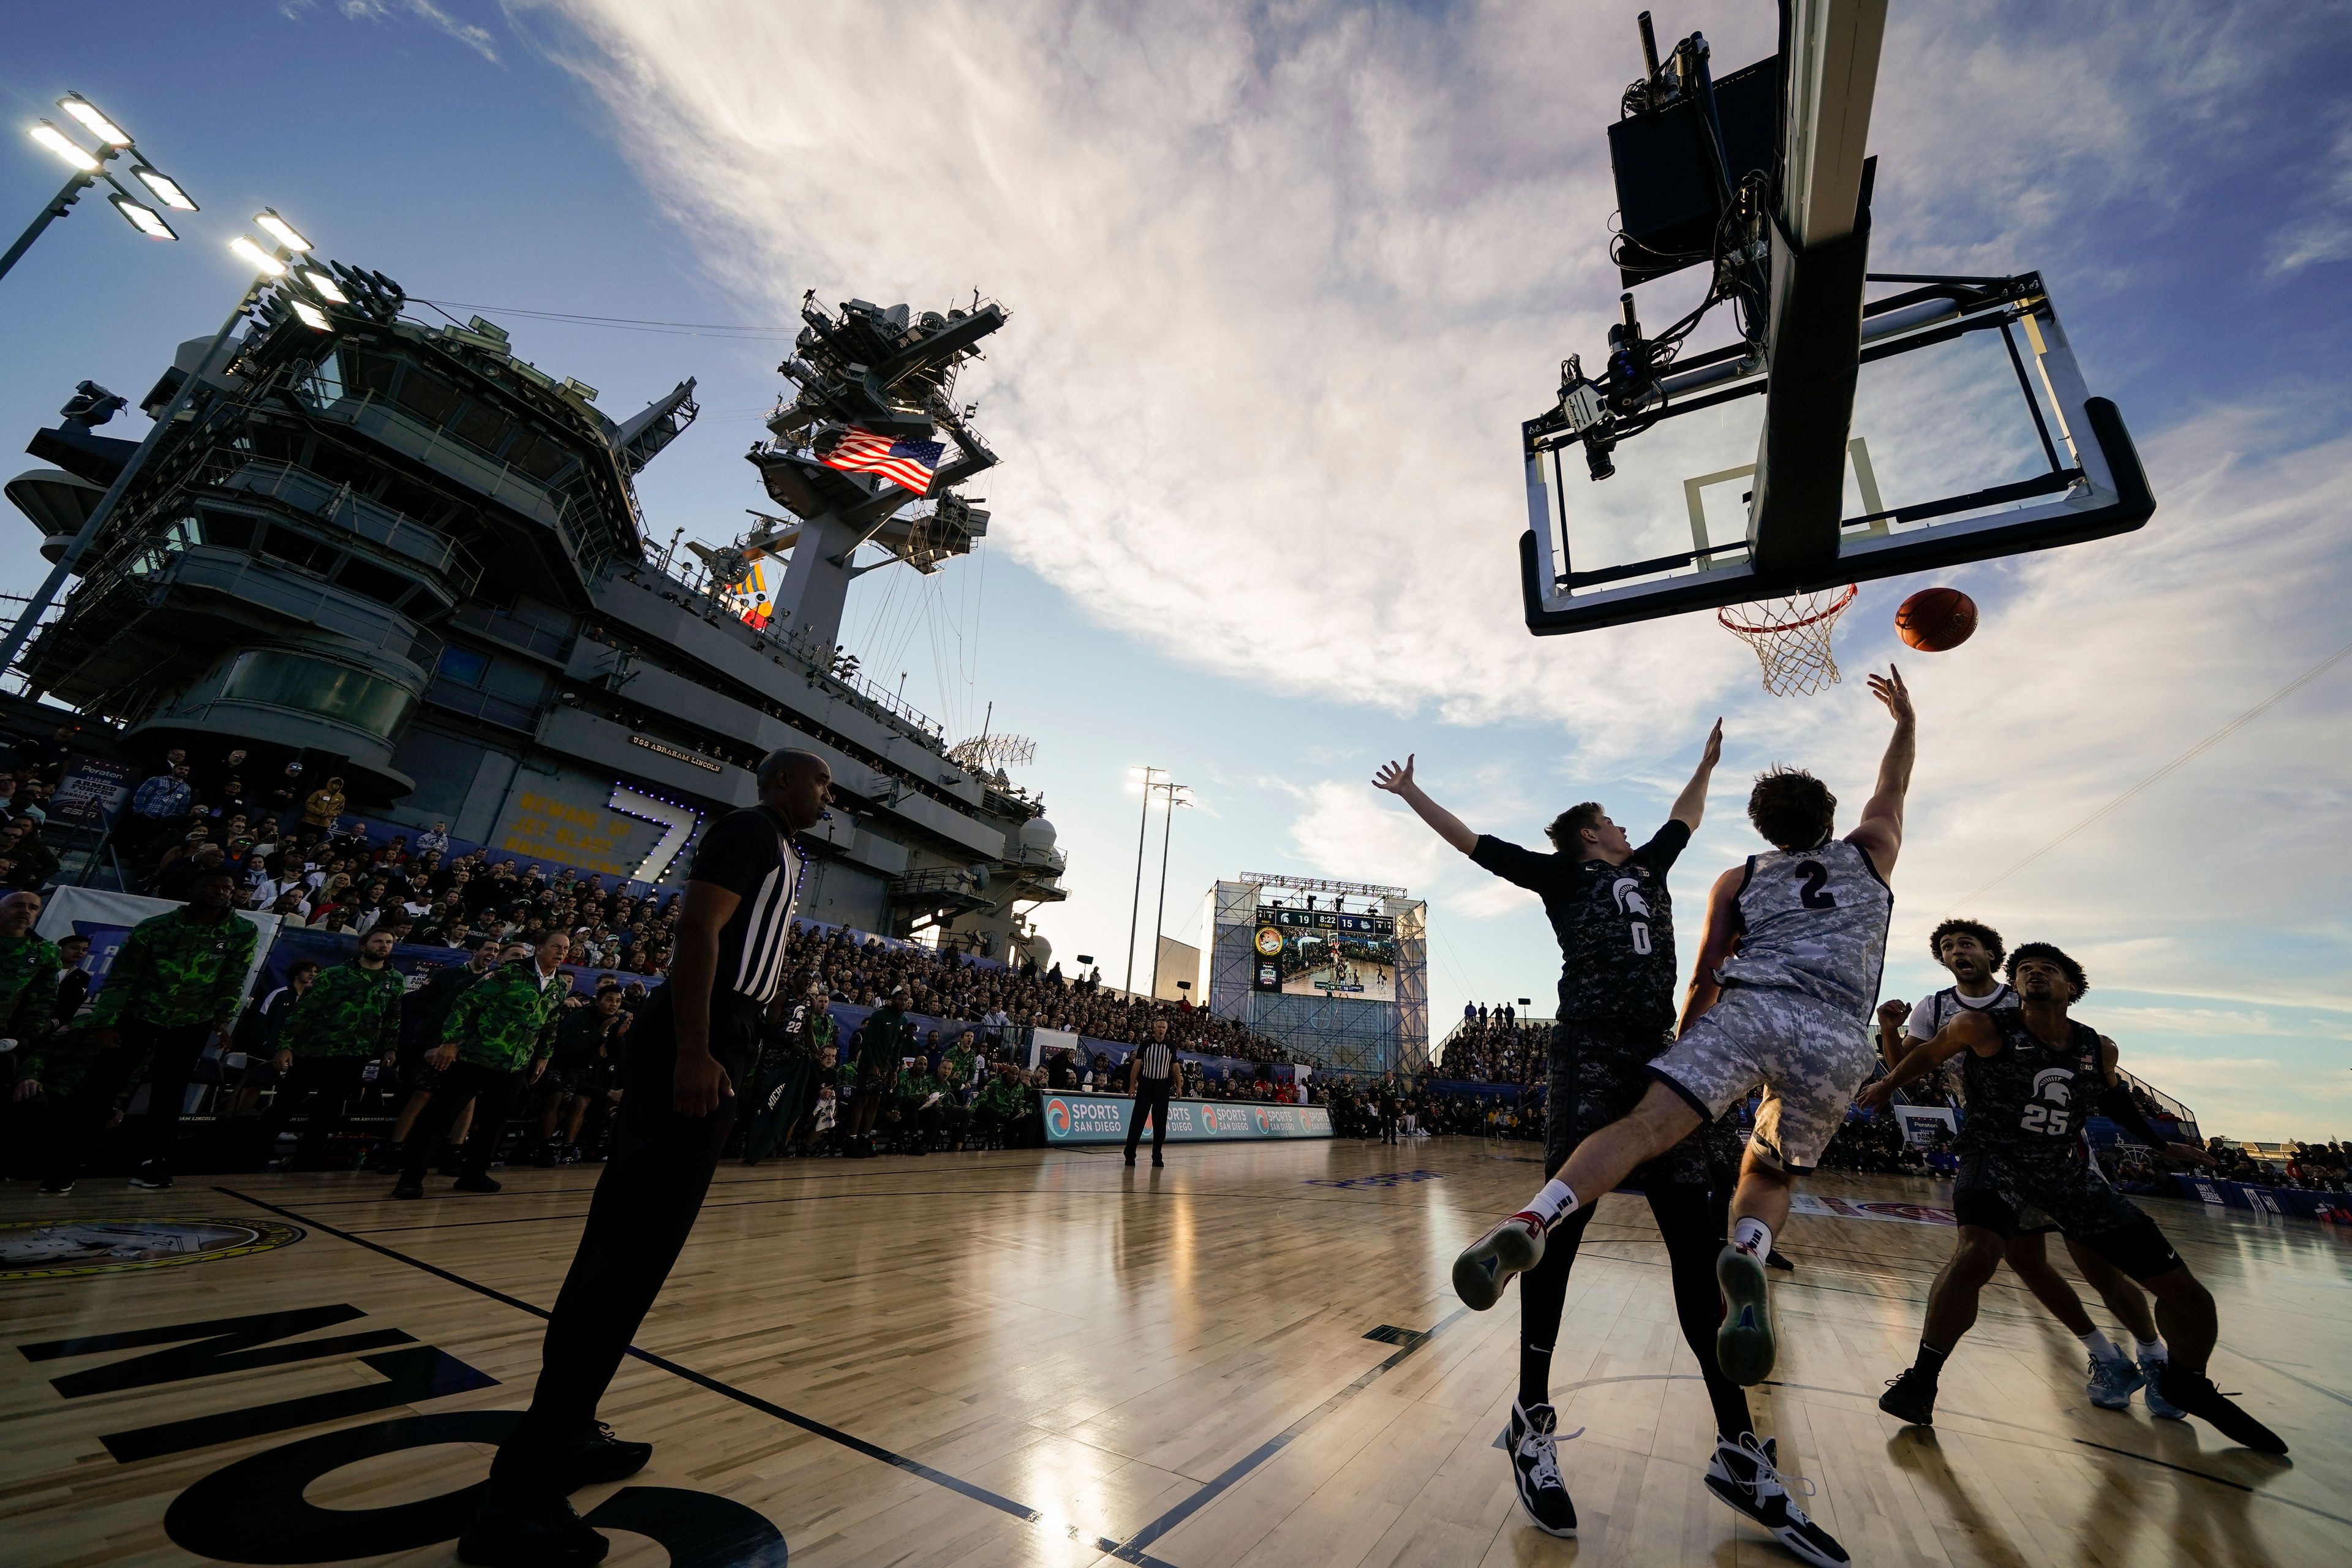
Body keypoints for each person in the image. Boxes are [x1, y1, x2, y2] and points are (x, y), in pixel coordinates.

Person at [1375, 720, 1836, 1559]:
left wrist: (1704, 765)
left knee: (1699, 1250)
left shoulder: (1651, 865)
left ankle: (1738, 1449)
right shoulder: (1560, 877)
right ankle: (1530, 1420)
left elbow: (1682, 819)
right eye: (1614, 825)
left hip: (1661, 1058)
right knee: (1556, 1235)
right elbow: (1478, 845)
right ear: (1592, 833)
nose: (1629, 831)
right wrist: (1412, 796)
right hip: (1588, 1048)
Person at [1459, 670, 1913, 1402]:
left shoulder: (1740, 877)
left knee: (1645, 1127)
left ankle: (1536, 1215)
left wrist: (1689, 1049)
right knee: (1765, 1173)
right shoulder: (1869, 851)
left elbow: (1705, 974)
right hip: (1835, 1035)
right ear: (1828, 816)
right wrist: (1903, 725)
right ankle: (1751, 1250)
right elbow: (1891, 789)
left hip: (1748, 1013)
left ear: (1766, 830)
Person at [465, 749, 831, 1565]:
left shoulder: (782, 848)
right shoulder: (747, 829)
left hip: (728, 1035)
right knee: (624, 1253)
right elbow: (697, 932)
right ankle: (518, 1495)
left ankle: (569, 1430)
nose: (826, 795)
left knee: (642, 1252)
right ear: (779, 781)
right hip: (701, 1036)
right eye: (819, 781)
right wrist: (696, 1051)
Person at [1864, 943, 2285, 1453]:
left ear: (2072, 988)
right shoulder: (1982, 1027)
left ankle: (2183, 1378)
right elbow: (1923, 1059)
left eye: (2048, 969)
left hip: (2065, 1169)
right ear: (2013, 985)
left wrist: (2159, 1144)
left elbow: (2111, 1097)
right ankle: (1922, 1379)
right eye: (2024, 970)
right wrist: (1887, 1086)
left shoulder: (2098, 1047)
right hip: (1994, 1160)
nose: (2034, 974)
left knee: (2189, 1296)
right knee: (1978, 1254)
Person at [1880, 918, 2179, 1416]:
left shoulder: (2022, 996)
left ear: (1993, 955)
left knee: (2099, 1268)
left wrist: (2153, 1140)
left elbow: (2084, 1061)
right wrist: (1890, 1034)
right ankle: (2107, 1356)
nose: (1958, 951)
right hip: (1997, 1146)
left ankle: (2155, 1356)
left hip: (2058, 1146)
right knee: (2022, 1261)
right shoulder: (1934, 1007)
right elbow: (1910, 1066)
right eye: (1949, 946)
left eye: (1968, 943)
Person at [42, 869, 256, 1194]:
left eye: (227, 888)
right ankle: (67, 1165)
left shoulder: (243, 930)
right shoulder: (156, 927)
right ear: (194, 888)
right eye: (211, 884)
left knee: (170, 1095)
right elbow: (121, 977)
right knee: (102, 1089)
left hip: (191, 1022)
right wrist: (104, 1022)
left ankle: (151, 1164)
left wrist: (221, 1019)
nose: (220, 892)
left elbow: (233, 977)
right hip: (139, 1015)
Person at [393, 930, 571, 1199]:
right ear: (539, 948)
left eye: (566, 949)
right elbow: (464, 1004)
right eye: (556, 947)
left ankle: (474, 1173)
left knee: (494, 1123)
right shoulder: (508, 974)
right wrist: (450, 1042)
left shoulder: (558, 986)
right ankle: (411, 1176)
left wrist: (544, 1056)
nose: (561, 952)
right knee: (440, 1117)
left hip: (514, 1065)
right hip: (475, 1057)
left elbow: (550, 1025)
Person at [259, 924, 407, 1169]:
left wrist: (391, 1047)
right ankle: (254, 1154)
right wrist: (285, 1046)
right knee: (285, 1105)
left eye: (389, 942)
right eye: (378, 941)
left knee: (327, 1111)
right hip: (315, 1050)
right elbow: (303, 1012)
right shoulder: (334, 974)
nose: (384, 946)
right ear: (363, 946)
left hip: (354, 1054)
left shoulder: (395, 979)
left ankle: (307, 1161)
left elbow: (393, 1016)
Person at [0, 891, 61, 1045]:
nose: (25, 911)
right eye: (17, 905)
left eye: (33, 908)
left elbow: (44, 996)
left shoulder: (46, 951)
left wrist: (28, 1035)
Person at [1124, 1017, 1177, 1168]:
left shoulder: (1170, 1046)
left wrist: (1179, 1086)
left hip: (1162, 1088)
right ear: (1154, 1028)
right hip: (1146, 1086)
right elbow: (1137, 1066)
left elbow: (1175, 1068)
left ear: (1166, 1030)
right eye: (1159, 1027)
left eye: (1164, 1027)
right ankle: (1130, 1155)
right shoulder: (1146, 1045)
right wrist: (1132, 1086)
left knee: (1160, 1125)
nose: (1161, 1030)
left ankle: (1157, 1157)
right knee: (1137, 1122)